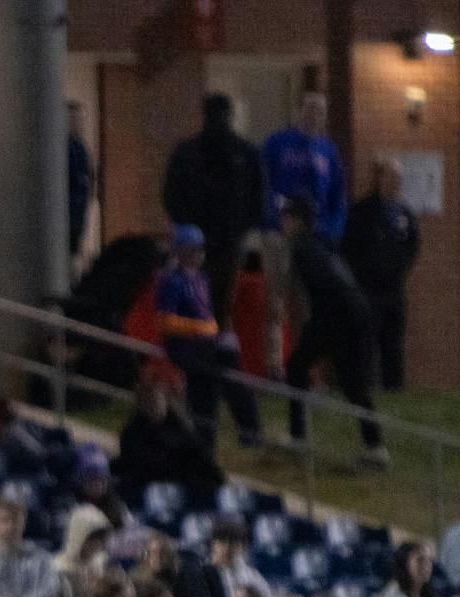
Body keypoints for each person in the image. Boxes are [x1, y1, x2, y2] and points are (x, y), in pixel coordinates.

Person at [279, 194, 385, 468]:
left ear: (297, 220)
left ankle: (298, 437)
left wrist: (315, 328)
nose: (283, 222)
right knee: (353, 383)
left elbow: (317, 288)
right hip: (357, 309)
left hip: (337, 314)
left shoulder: (301, 247)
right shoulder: (325, 242)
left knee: (296, 366)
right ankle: (375, 447)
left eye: (287, 216)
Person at [156, 224, 263, 450]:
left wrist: (212, 330)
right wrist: (198, 327)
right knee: (205, 386)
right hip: (184, 345)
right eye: (192, 250)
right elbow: (167, 321)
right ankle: (205, 438)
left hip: (205, 341)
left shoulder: (202, 279)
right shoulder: (172, 280)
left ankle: (249, 428)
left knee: (233, 374)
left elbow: (208, 314)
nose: (197, 255)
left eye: (200, 250)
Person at [163, 92, 267, 315]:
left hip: (223, 237)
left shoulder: (244, 153)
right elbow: (172, 194)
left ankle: (211, 339)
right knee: (197, 295)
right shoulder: (190, 153)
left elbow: (258, 195)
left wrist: (243, 226)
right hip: (202, 238)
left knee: (216, 297)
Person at [343, 157, 420, 390]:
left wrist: (401, 267)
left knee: (393, 342)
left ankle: (394, 388)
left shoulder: (403, 213)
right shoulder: (362, 211)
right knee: (367, 341)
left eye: (398, 178)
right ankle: (365, 387)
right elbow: (350, 248)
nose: (395, 182)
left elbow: (412, 244)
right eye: (391, 176)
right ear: (380, 178)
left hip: (394, 287)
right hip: (369, 288)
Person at [114, 365, 222, 505]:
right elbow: (138, 466)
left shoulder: (179, 427)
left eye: (157, 402)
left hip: (183, 488)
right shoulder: (132, 433)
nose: (154, 407)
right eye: (148, 403)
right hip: (151, 490)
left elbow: (199, 455)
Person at [263, 91, 347, 244]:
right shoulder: (277, 143)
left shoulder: (328, 150)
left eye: (320, 111)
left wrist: (333, 230)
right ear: (299, 110)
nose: (314, 115)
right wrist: (270, 221)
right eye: (310, 108)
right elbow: (263, 183)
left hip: (319, 232)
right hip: (280, 230)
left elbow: (338, 194)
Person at [53, 505, 114, 597]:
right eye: (91, 540)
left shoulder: (102, 562)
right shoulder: (57, 568)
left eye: (100, 540)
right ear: (78, 536)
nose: (95, 545)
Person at [66, 100, 95, 259]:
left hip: (78, 210)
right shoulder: (64, 148)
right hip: (67, 212)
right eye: (74, 119)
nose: (79, 124)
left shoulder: (81, 148)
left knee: (75, 251)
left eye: (80, 120)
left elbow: (88, 177)